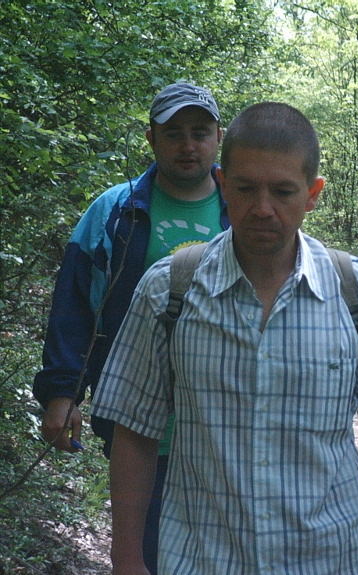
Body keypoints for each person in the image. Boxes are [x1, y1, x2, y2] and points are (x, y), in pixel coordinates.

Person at [91, 102, 358, 575]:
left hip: (341, 556)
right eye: (246, 189)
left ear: (312, 194)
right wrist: (126, 556)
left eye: (283, 191)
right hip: (206, 558)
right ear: (223, 184)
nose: (263, 209)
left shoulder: (353, 289)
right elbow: (135, 432)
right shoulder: (170, 289)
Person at [32, 82, 227, 575]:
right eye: (174, 133)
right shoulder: (115, 212)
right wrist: (62, 393)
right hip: (140, 422)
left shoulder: (245, 207)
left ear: (218, 138)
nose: (188, 145)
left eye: (199, 133)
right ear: (151, 138)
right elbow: (74, 306)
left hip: (231, 422)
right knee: (151, 555)